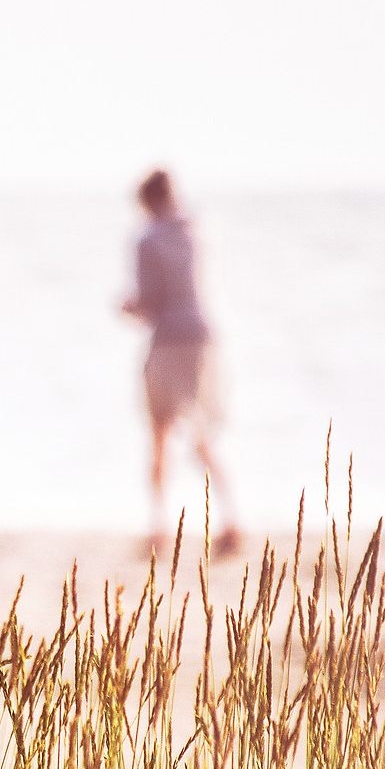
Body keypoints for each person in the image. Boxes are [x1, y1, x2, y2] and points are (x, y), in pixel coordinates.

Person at [120, 169, 240, 555]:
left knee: (159, 432)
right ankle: (232, 518)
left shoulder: (148, 239)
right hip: (205, 336)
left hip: (169, 338)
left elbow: (150, 303)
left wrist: (128, 308)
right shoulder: (198, 231)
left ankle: (158, 527)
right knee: (202, 434)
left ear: (147, 202)